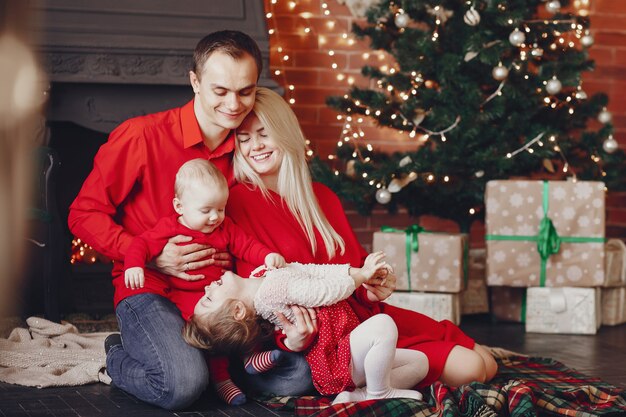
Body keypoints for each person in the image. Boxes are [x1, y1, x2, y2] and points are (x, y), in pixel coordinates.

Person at [67, 31, 313, 410]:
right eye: (220, 91)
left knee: (297, 376)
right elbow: (83, 214)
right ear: (195, 82)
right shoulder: (141, 137)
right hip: (150, 290)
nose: (233, 105)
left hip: (221, 300)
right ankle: (117, 355)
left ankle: (204, 362)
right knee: (182, 385)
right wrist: (152, 256)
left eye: (245, 92)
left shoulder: (248, 150)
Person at [227, 87, 498, 390]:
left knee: (488, 362)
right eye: (244, 139)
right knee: (473, 369)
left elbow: (354, 271)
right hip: (331, 339)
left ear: (285, 132)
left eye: (264, 134)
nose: (255, 146)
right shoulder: (238, 202)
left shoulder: (322, 197)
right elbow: (258, 293)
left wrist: (373, 288)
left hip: (365, 317)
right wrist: (290, 339)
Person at [184, 252, 428, 404]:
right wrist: (361, 275)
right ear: (237, 310)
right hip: (338, 355)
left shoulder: (261, 277)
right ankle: (379, 393)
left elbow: (312, 271)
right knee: (383, 325)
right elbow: (324, 291)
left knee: (420, 363)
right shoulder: (271, 293)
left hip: (346, 348)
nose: (207, 289)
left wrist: (349, 271)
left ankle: (360, 395)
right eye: (209, 299)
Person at [124, 158, 285, 302]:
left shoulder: (225, 227)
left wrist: (267, 255)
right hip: (182, 295)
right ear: (179, 207)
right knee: (194, 330)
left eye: (221, 209)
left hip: (220, 294)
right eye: (206, 211)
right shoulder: (170, 227)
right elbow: (142, 243)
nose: (215, 217)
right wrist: (134, 265)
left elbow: (247, 246)